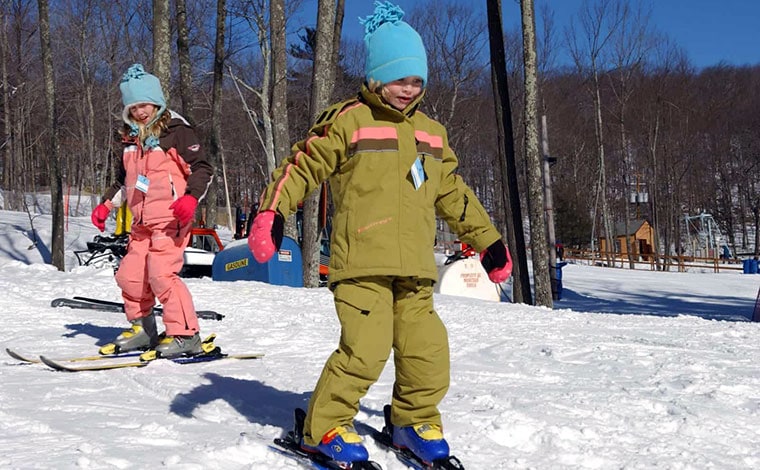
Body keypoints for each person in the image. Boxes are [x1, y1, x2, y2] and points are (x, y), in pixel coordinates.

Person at [248, 2, 512, 465]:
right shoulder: (349, 120)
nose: (408, 90)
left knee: (428, 351)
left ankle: (413, 419)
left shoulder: (431, 133)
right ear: (373, 77)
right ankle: (324, 425)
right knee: (364, 351)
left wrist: (488, 240)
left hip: (414, 269)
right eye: (397, 79)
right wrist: (272, 211)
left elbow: (453, 192)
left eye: (416, 81)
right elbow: (304, 164)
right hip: (361, 265)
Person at [90, 64, 214, 358]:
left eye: (144, 104)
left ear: (156, 102)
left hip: (172, 219)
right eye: (133, 107)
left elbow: (202, 168)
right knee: (130, 275)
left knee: (161, 275)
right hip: (142, 223)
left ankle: (186, 334)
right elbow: (125, 181)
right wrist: (106, 205)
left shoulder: (177, 132)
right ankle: (143, 329)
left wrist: (191, 199)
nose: (140, 111)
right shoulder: (131, 140)